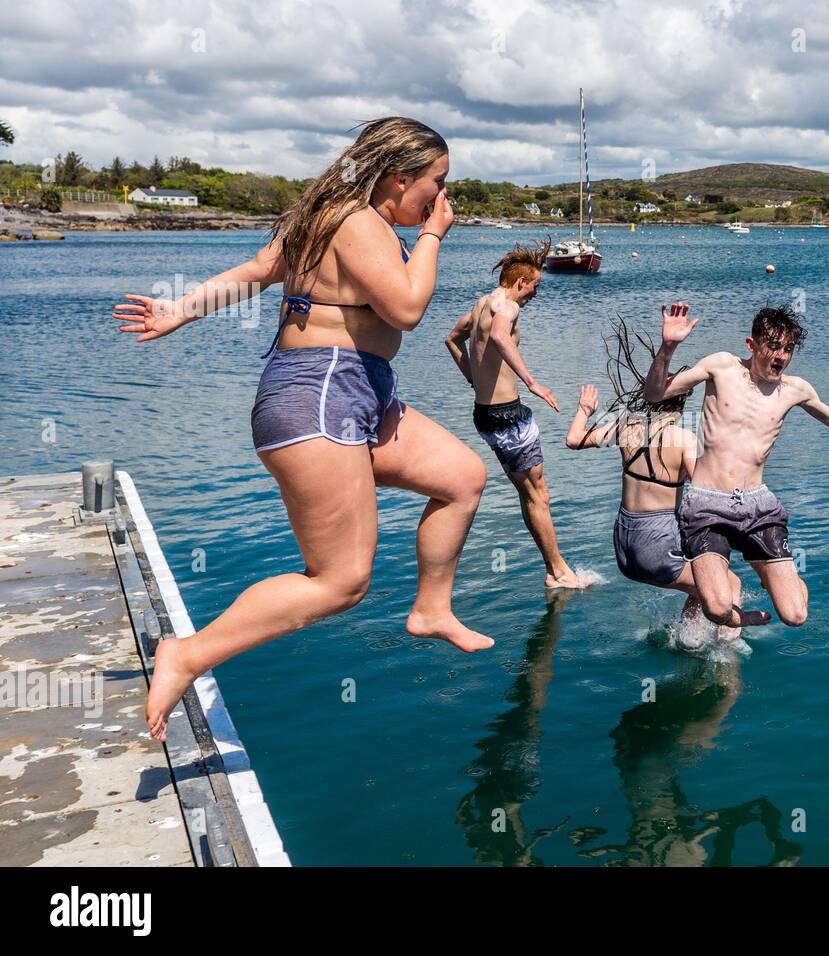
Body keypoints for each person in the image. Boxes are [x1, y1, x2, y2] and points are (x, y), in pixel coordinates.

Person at [113, 117, 493, 740]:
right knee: (341, 580)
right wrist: (432, 237)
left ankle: (430, 608)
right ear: (400, 178)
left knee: (459, 477)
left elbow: (258, 270)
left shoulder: (327, 215)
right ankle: (186, 654)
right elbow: (406, 307)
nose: (441, 196)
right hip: (321, 394)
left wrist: (181, 308)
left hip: (358, 389)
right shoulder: (357, 222)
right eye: (436, 182)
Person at [642, 302, 829, 629]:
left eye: (788, 349)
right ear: (751, 345)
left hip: (757, 504)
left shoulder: (794, 390)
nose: (781, 356)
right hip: (707, 503)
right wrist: (668, 347)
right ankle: (740, 615)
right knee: (716, 607)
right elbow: (655, 394)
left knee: (795, 616)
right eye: (773, 346)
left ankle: (777, 577)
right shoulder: (721, 366)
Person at [565, 317, 770, 635]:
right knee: (729, 583)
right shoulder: (684, 440)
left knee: (704, 572)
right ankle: (729, 652)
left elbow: (573, 440)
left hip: (624, 547)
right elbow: (710, 494)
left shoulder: (626, 427)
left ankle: (689, 635)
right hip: (656, 546)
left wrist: (583, 409)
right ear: (682, 398)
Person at [444, 240, 587, 589]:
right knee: (538, 495)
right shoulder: (506, 306)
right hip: (508, 415)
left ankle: (556, 567)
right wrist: (533, 382)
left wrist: (473, 378)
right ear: (521, 282)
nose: (535, 294)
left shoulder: (480, 304)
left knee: (534, 493)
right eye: (535, 286)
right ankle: (557, 572)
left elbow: (452, 339)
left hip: (486, 414)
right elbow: (499, 336)